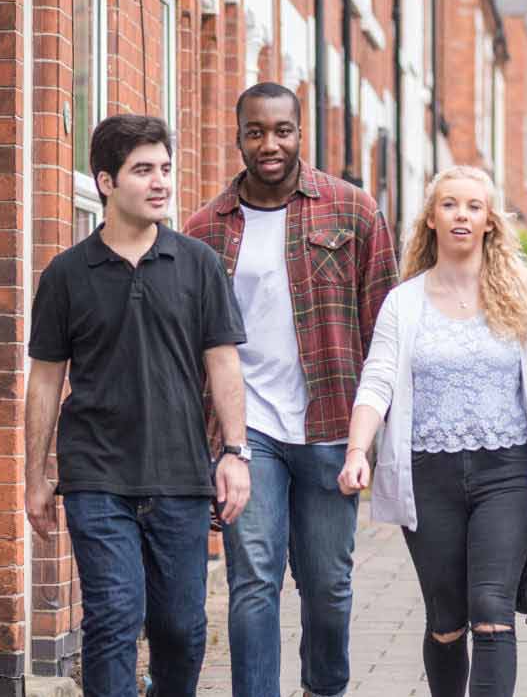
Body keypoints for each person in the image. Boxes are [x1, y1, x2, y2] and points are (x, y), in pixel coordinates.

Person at [24, 114, 252, 697]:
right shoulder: (66, 275)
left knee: (181, 628)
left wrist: (236, 453)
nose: (160, 183)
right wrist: (36, 477)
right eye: (143, 170)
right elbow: (46, 381)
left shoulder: (198, 264)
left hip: (180, 475)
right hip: (97, 475)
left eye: (165, 169)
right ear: (105, 181)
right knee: (113, 618)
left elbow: (223, 365)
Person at [185, 82, 397, 697]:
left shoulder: (353, 211)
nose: (269, 143)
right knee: (253, 578)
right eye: (256, 131)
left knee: (328, 583)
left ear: (301, 133)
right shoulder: (205, 229)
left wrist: (376, 434)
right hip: (246, 429)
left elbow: (384, 327)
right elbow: (195, 345)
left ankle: (323, 688)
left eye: (282, 130)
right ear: (239, 136)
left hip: (331, 424)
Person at [336, 166, 527, 697]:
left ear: (490, 222)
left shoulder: (523, 294)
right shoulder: (404, 302)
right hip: (427, 474)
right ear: (431, 219)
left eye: (474, 206)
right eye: (450, 205)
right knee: (446, 618)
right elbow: (378, 379)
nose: (462, 215)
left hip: (504, 470)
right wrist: (357, 449)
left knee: (491, 609)